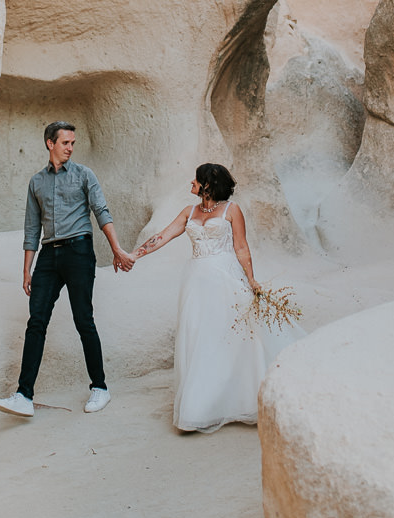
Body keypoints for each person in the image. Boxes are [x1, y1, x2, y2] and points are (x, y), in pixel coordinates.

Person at [128, 162, 301, 432]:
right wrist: (134, 255)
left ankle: (238, 398)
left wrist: (251, 279)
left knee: (233, 337)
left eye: (195, 180)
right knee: (200, 336)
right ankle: (201, 406)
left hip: (226, 277)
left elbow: (241, 247)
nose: (191, 184)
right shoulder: (189, 211)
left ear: (207, 184)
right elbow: (162, 236)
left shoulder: (232, 211)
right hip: (197, 281)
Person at [0, 121, 135, 419]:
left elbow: (101, 212)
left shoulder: (84, 174)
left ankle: (100, 387)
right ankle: (23, 395)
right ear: (50, 143)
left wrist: (117, 249)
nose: (70, 147)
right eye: (65, 143)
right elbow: (31, 228)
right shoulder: (36, 183)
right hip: (48, 256)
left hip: (79, 252)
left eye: (72, 143)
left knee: (83, 319)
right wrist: (26, 270)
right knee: (36, 322)